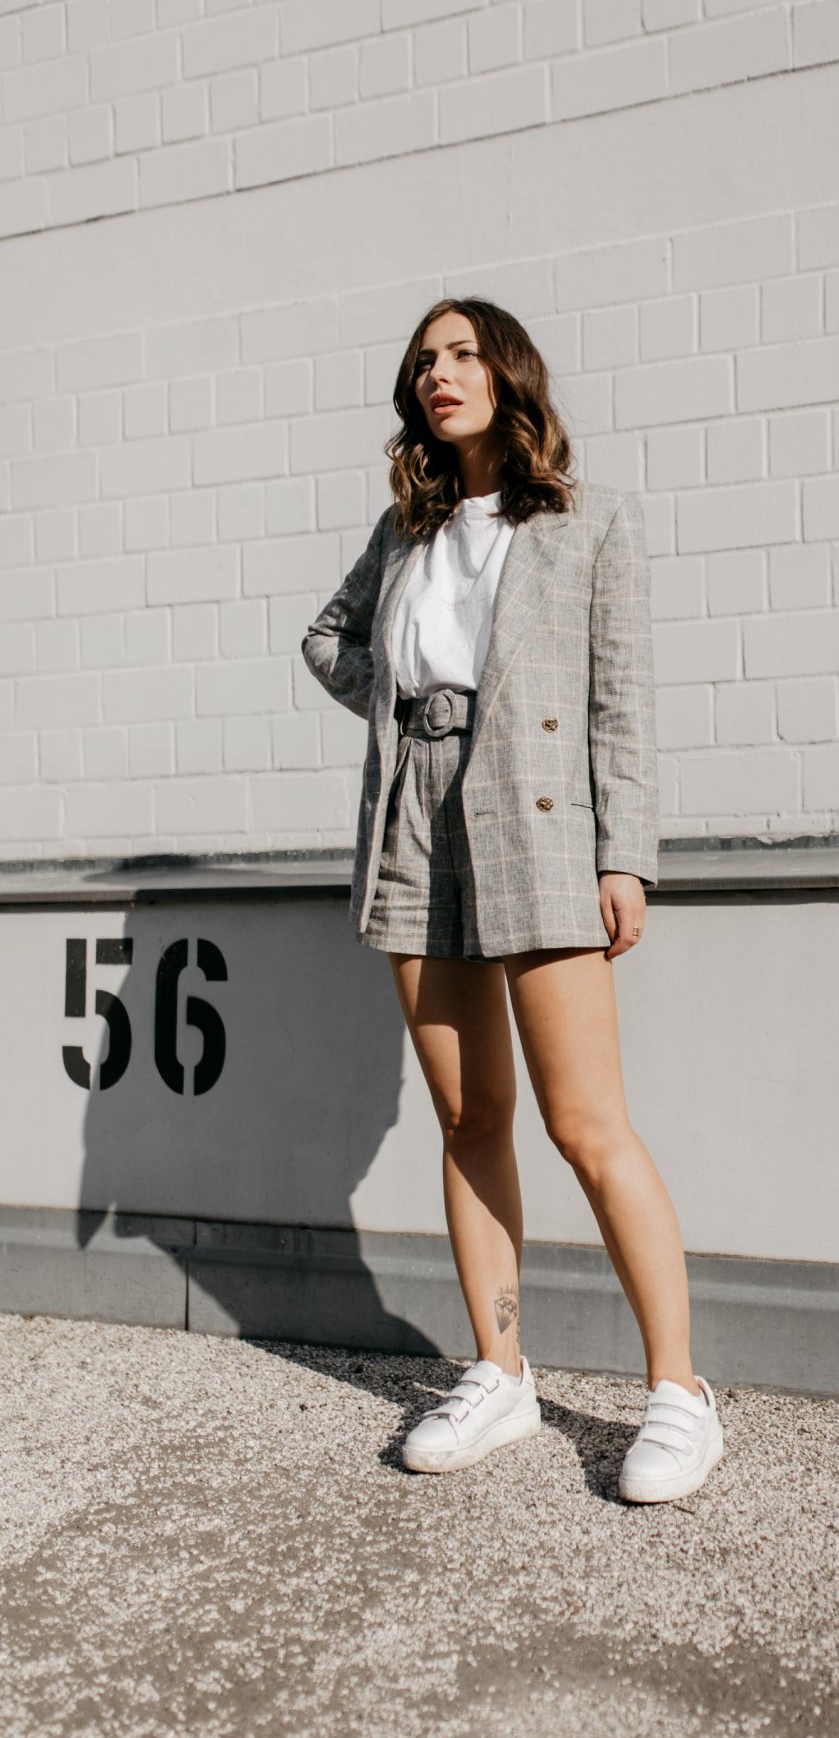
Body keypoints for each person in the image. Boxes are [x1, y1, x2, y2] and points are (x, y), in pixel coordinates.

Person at [301, 296, 724, 1505]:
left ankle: (680, 1392)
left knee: (585, 1122)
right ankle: (500, 1371)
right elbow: (328, 639)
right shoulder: (406, 529)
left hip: (538, 821)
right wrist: (403, 711)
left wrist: (623, 854)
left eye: (462, 353)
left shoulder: (590, 522)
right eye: (423, 361)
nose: (438, 374)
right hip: (414, 822)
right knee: (469, 1114)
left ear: (508, 373)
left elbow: (621, 705)